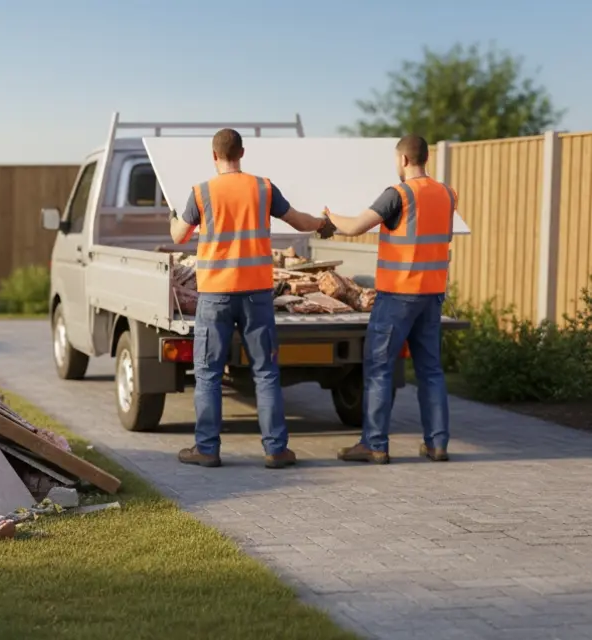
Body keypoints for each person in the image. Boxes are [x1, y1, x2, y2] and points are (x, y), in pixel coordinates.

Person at [169, 128, 332, 469]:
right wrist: (322, 223)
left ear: (214, 156)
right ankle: (276, 450)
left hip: (215, 295)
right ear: (242, 152)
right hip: (257, 294)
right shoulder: (263, 188)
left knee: (209, 373)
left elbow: (179, 235)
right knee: (266, 372)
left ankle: (207, 449)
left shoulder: (201, 193)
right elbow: (298, 220)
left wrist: (174, 216)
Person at [323, 135, 457, 465]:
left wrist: (330, 216)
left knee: (379, 368)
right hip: (432, 294)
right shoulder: (446, 194)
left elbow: (355, 227)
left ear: (404, 161)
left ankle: (374, 444)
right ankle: (437, 444)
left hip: (398, 295)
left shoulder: (398, 194)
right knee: (431, 371)